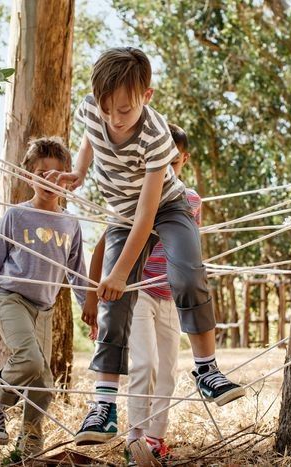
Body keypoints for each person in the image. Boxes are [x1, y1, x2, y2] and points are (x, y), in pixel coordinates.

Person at [46, 47, 245, 446]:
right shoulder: (93, 109)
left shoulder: (155, 137)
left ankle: (207, 369)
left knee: (187, 273)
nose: (113, 120)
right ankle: (104, 407)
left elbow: (146, 217)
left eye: (124, 110)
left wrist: (120, 270)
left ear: (146, 97)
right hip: (122, 213)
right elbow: (89, 134)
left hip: (165, 208)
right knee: (113, 304)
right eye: (106, 109)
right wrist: (79, 171)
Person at [0, 137, 87, 457]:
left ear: (68, 177)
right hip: (10, 298)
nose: (49, 180)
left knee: (44, 381)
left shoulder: (70, 223)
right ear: (28, 176)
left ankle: (28, 444)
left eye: (57, 174)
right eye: (41, 173)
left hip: (45, 308)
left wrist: (88, 307)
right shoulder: (16, 216)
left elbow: (77, 272)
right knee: (30, 358)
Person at [83, 124, 202, 464]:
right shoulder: (134, 195)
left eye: (174, 164)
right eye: (160, 165)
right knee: (145, 364)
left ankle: (155, 440)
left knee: (168, 371)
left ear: (183, 160)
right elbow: (104, 247)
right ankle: (135, 437)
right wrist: (93, 298)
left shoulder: (191, 201)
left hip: (171, 295)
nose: (167, 172)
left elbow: (192, 249)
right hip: (139, 291)